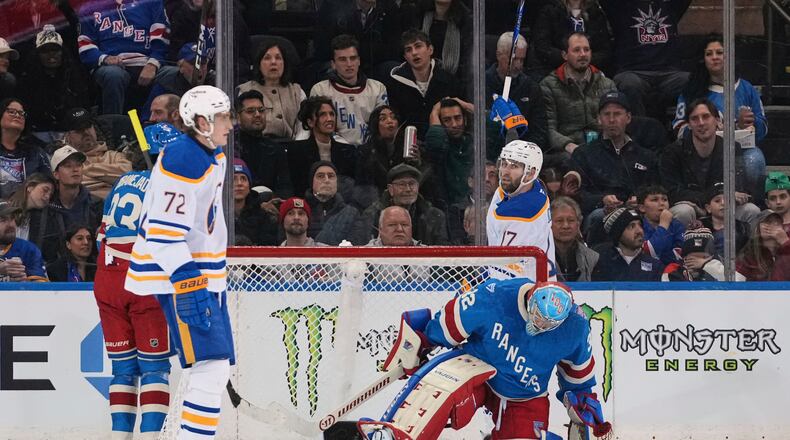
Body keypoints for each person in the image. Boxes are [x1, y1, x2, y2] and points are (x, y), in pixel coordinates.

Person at [359, 280, 611, 440]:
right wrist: (425, 340)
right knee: (443, 382)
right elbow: (450, 323)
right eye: (536, 316)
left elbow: (577, 375)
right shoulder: (495, 296)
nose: (539, 325)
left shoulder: (575, 327)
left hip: (523, 394)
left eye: (548, 324)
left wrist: (580, 398)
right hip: (476, 369)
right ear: (531, 298)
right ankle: (399, 434)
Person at [125, 85, 235, 439]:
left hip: (202, 274)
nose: (230, 124)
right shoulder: (184, 159)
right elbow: (163, 234)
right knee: (210, 365)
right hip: (181, 276)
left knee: (215, 367)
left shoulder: (208, 153)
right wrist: (189, 281)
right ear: (202, 121)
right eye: (223, 117)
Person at [94, 121, 177, 439]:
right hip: (144, 279)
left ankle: (119, 437)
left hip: (107, 279)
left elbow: (104, 234)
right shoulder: (172, 189)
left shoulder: (124, 180)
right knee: (155, 368)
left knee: (124, 370)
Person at [673, 35, 768, 200]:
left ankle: (755, 203)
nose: (714, 57)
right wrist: (704, 130)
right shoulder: (692, 90)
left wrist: (751, 123)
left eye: (719, 52)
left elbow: (764, 128)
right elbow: (679, 128)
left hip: (741, 150)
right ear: (703, 59)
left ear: (729, 55)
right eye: (709, 54)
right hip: (703, 151)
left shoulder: (746, 88)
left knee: (755, 160)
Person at [660, 98, 760, 227]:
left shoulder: (732, 148)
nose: (701, 123)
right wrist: (710, 198)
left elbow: (739, 186)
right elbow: (672, 192)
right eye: (694, 119)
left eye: (706, 117)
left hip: (724, 205)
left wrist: (721, 199)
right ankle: (680, 247)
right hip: (692, 207)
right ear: (689, 125)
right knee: (683, 211)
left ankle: (747, 247)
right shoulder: (672, 152)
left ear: (717, 120)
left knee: (751, 210)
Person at [570, 91, 659, 233]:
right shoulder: (583, 154)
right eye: (606, 114)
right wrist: (601, 200)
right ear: (599, 119)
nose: (612, 119)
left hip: (639, 214)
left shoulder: (646, 156)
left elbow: (656, 190)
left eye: (617, 114)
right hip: (601, 214)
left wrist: (641, 201)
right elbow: (576, 195)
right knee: (599, 216)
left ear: (628, 117)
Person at [77, 0, 174, 114]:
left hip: (146, 62)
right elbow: (85, 46)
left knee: (173, 74)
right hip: (113, 65)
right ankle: (112, 125)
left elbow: (161, 38)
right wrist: (105, 58)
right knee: (113, 75)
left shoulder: (152, 2)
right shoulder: (89, 8)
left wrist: (153, 64)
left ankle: (150, 122)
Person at [599, 0, 691, 117]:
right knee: (630, 83)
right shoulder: (620, 9)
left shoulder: (670, 6)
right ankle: (638, 130)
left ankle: (683, 129)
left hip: (668, 73)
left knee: (690, 80)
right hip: (633, 72)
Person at [487, 140, 557, 279]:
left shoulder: (524, 212)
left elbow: (505, 274)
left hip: (526, 290)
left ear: (530, 173)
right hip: (532, 282)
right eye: (504, 164)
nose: (505, 172)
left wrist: (473, 286)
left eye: (514, 166)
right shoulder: (530, 186)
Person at [540, 32, 616, 159]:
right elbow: (548, 129)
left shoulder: (607, 84)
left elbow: (616, 123)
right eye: (576, 50)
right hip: (568, 150)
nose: (583, 54)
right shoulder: (548, 86)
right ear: (565, 55)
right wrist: (569, 145)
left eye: (586, 50)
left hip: (602, 146)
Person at [17, 24, 94, 143]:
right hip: (38, 134)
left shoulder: (76, 77)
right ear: (37, 55)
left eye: (55, 50)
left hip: (71, 134)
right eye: (45, 51)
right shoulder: (27, 81)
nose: (51, 54)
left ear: (62, 52)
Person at [310, 34, 389, 147]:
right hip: (334, 152)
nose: (349, 64)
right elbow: (319, 129)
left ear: (359, 61)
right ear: (333, 64)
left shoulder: (378, 88)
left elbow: (382, 127)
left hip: (370, 152)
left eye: (353, 58)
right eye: (342, 59)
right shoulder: (320, 90)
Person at [386, 29, 462, 138]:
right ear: (405, 57)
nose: (414, 53)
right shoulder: (395, 84)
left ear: (430, 49)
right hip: (408, 144)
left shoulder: (450, 81)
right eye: (408, 50)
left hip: (444, 142)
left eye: (418, 46)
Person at [485, 32, 549, 154]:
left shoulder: (531, 87)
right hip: (489, 154)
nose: (518, 65)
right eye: (514, 59)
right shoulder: (482, 84)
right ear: (498, 55)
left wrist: (522, 153)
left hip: (522, 154)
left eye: (522, 60)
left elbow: (539, 130)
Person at [287, 96, 357, 199]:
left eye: (332, 114)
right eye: (322, 115)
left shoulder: (348, 151)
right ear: (310, 122)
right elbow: (296, 188)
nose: (330, 119)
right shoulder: (296, 151)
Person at [361, 163, 449, 245]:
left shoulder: (434, 216)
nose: (408, 189)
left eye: (412, 184)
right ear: (390, 189)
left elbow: (442, 253)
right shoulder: (372, 215)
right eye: (402, 184)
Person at [237, 40, 308, 141]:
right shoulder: (245, 90)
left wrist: (297, 147)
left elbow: (304, 128)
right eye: (267, 58)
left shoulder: (297, 92)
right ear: (259, 64)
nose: (273, 62)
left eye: (278, 58)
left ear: (285, 63)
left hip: (291, 148)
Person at [354, 105, 421, 208]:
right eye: (383, 118)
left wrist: (417, 163)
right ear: (376, 125)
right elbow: (363, 187)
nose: (390, 121)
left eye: (393, 117)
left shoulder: (411, 147)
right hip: (377, 205)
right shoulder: (365, 152)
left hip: (407, 200)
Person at [62, 107, 133, 199]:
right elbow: (68, 188)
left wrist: (86, 169)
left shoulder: (114, 156)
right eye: (79, 130)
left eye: (88, 126)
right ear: (68, 137)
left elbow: (130, 177)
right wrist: (110, 178)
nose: (86, 132)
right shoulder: (63, 161)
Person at [530, 0, 612, 77]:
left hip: (590, 73)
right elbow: (542, 46)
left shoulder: (595, 13)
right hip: (554, 72)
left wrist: (584, 60)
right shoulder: (550, 10)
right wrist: (569, 59)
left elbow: (605, 50)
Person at [235, 90, 293, 197]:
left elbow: (285, 188)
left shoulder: (276, 149)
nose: (257, 115)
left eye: (261, 110)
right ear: (238, 117)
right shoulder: (230, 148)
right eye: (250, 111)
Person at [401, 0, 472, 78]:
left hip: (451, 78)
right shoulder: (418, 14)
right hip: (418, 75)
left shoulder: (465, 20)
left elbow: (466, 60)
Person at [591, 207, 664, 281]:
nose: (639, 231)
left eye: (640, 225)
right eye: (632, 226)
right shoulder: (600, 262)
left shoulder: (655, 265)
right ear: (618, 233)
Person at [305, 161, 366, 246]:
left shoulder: (352, 214)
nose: (326, 180)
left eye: (331, 176)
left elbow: (358, 245)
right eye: (320, 176)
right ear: (312, 182)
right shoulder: (299, 212)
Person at [0, 98, 51, 199]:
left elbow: (49, 183)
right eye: (11, 112)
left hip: (28, 209)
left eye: (21, 113)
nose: (17, 115)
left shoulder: (36, 153)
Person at [7, 173, 62, 265]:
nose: (47, 197)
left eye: (50, 194)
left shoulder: (43, 220)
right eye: (45, 190)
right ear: (29, 187)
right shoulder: (3, 210)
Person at [49, 145, 103, 233]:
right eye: (68, 166)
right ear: (56, 174)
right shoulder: (46, 205)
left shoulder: (97, 204)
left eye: (78, 165)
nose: (75, 169)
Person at [663, 225, 744, 281]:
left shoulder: (721, 268)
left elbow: (740, 282)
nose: (699, 261)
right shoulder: (673, 270)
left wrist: (707, 265)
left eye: (704, 258)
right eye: (694, 258)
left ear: (712, 257)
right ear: (685, 257)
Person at [232, 158, 279, 246]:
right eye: (233, 179)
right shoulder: (215, 216)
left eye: (243, 179)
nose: (239, 183)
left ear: (249, 186)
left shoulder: (263, 217)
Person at [552, 196, 599, 281]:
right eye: (559, 221)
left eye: (571, 220)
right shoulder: (538, 257)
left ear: (579, 223)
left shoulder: (592, 258)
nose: (566, 226)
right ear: (549, 224)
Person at [698, 182, 750, 259]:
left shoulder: (743, 228)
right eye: (717, 201)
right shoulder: (699, 228)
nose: (723, 203)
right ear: (708, 208)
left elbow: (747, 255)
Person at [0, 200, 49, 282]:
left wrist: (25, 282)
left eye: (12, 218)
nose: (11, 224)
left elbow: (42, 290)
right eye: (3, 220)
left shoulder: (28, 249)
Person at [636, 185, 685, 265]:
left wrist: (659, 253)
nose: (662, 203)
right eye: (655, 200)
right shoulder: (637, 226)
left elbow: (680, 256)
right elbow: (648, 253)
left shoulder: (676, 225)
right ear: (642, 208)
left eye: (665, 199)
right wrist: (663, 225)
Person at [736, 210, 790, 281]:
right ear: (758, 228)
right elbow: (737, 281)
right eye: (767, 222)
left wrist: (785, 242)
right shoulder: (749, 254)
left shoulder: (786, 249)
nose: (772, 225)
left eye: (777, 223)